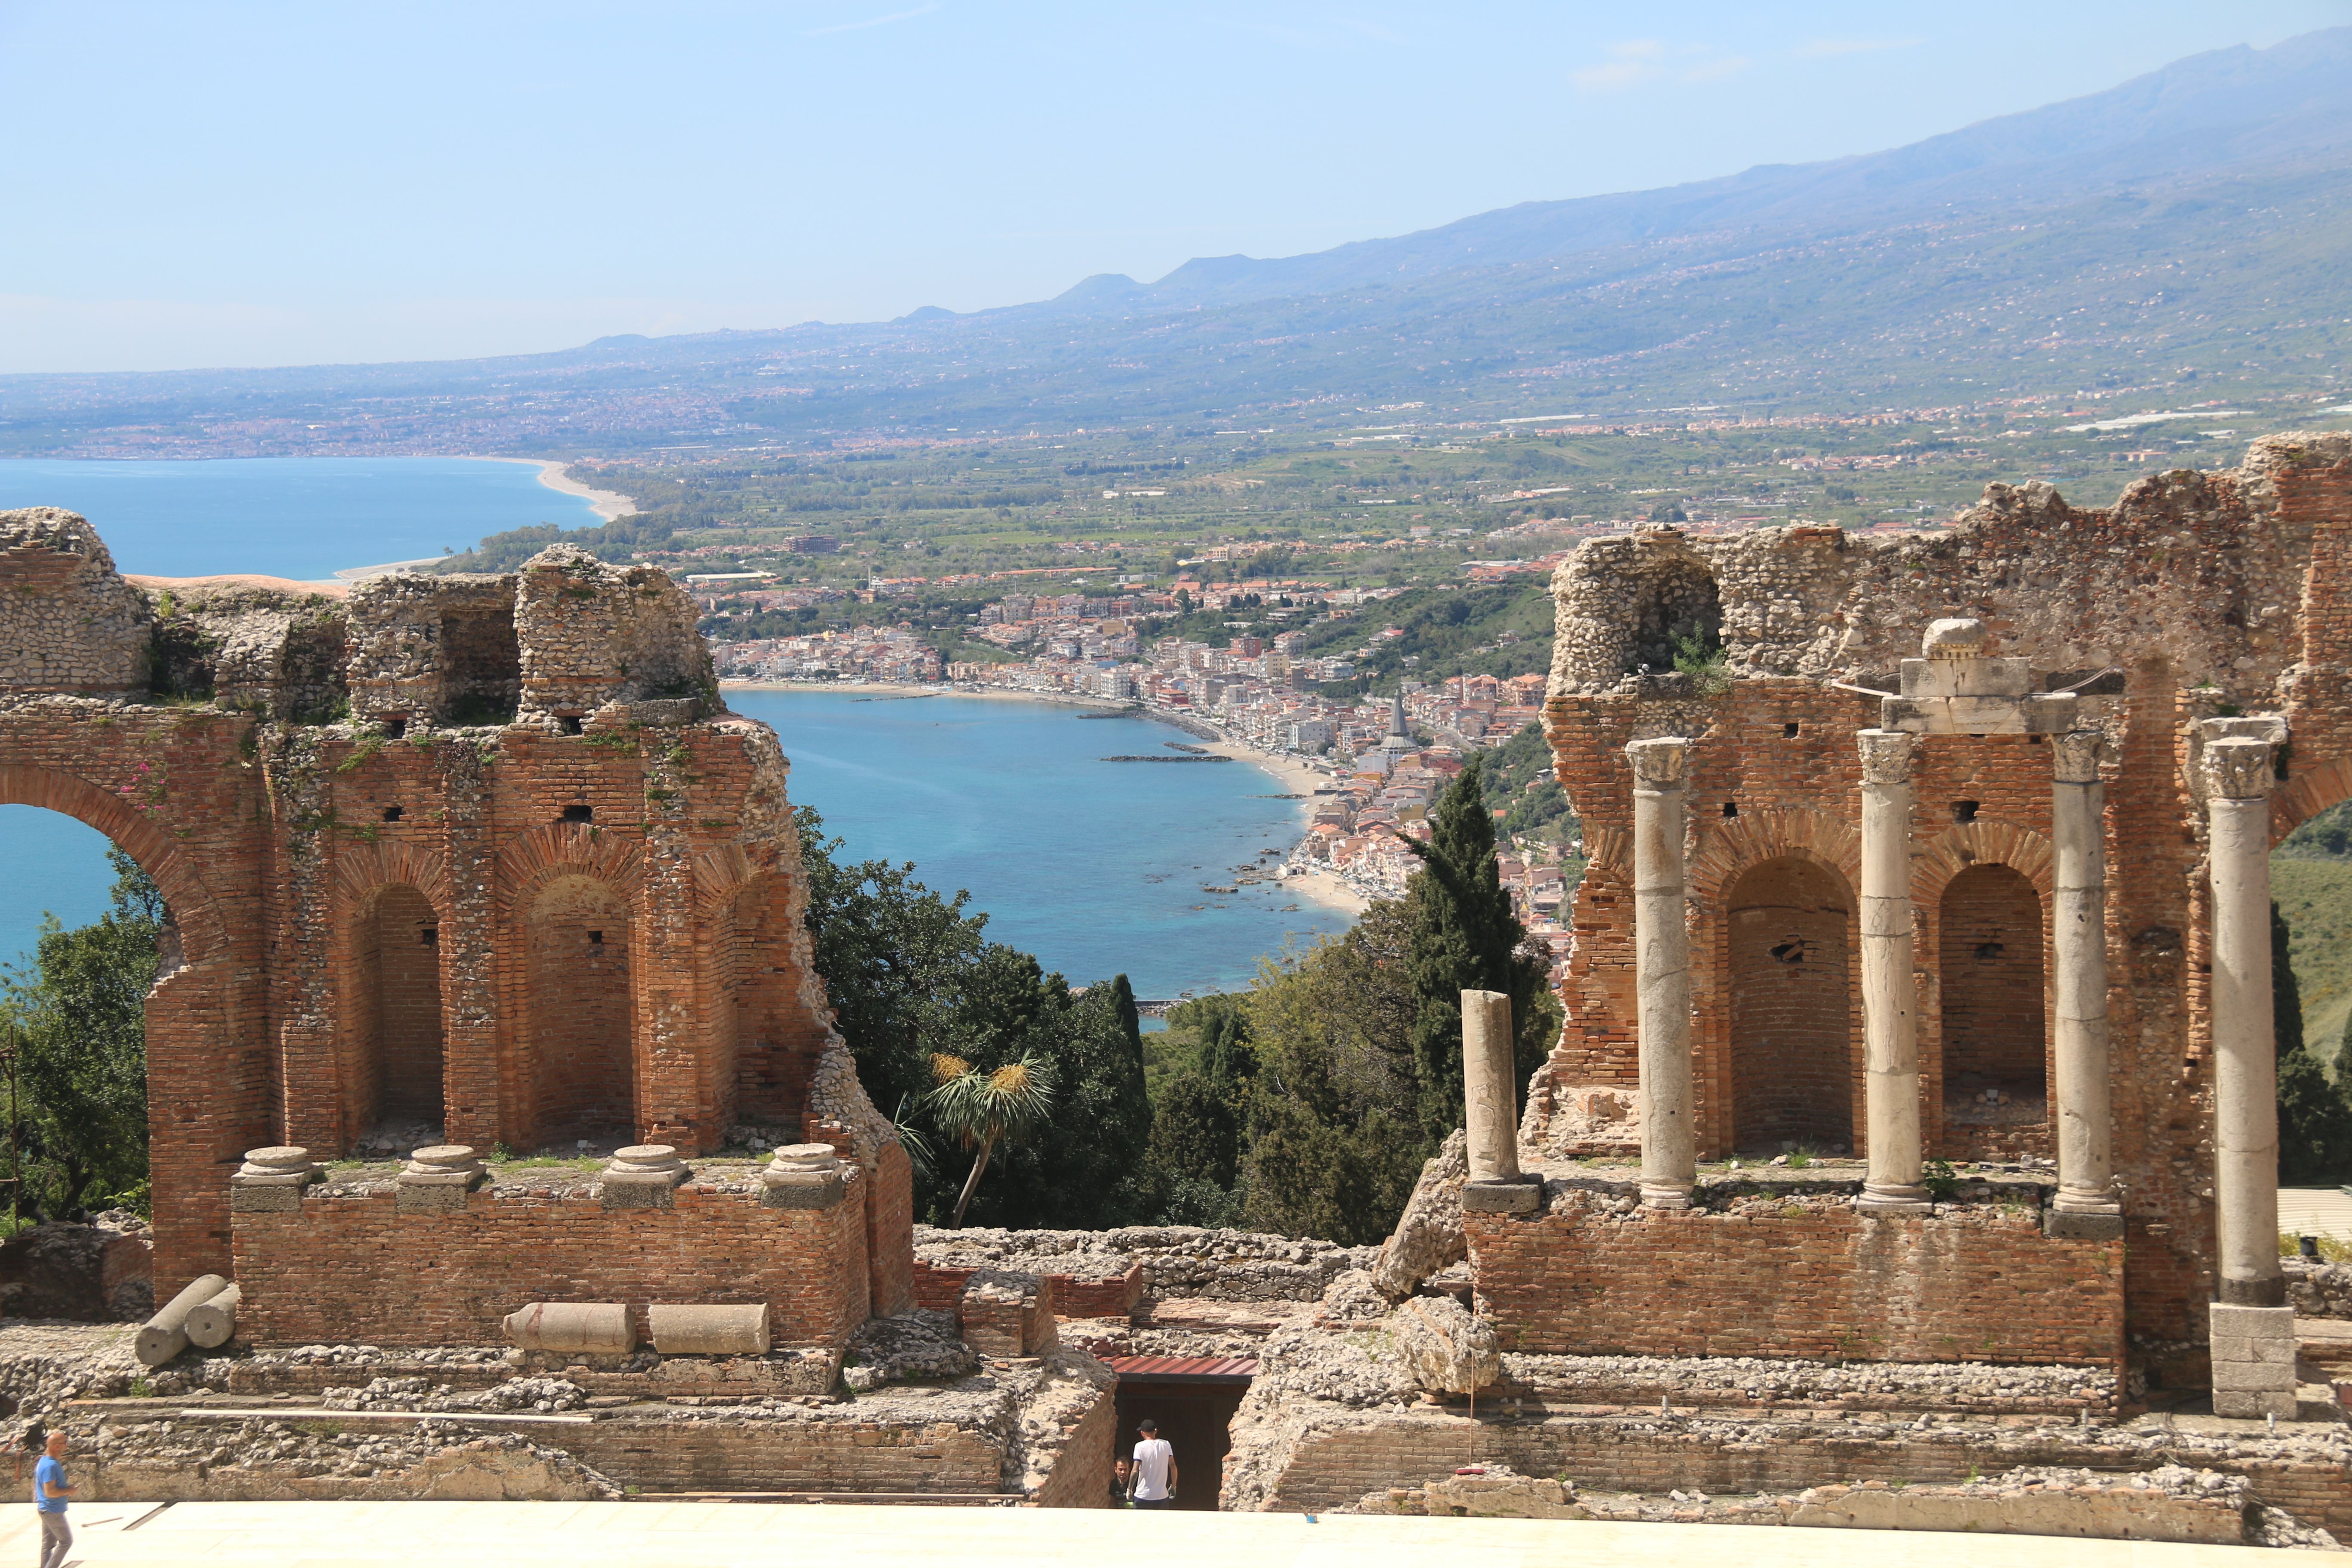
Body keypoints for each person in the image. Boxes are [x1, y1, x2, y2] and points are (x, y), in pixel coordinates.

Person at [32, 1431, 71, 1568]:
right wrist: (69, 1491)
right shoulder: (50, 1466)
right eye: (65, 1443)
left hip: (47, 1509)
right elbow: (50, 1492)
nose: (67, 1446)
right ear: (56, 1446)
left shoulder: (46, 1461)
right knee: (66, 1542)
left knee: (48, 1545)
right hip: (52, 1511)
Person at [1129, 1417, 1176, 1510]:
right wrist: (1173, 1486)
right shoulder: (1166, 1444)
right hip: (1162, 1496)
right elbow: (1173, 1466)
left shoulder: (1140, 1446)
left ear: (1142, 1433)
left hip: (1143, 1496)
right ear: (1156, 1432)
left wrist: (1129, 1489)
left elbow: (1135, 1470)